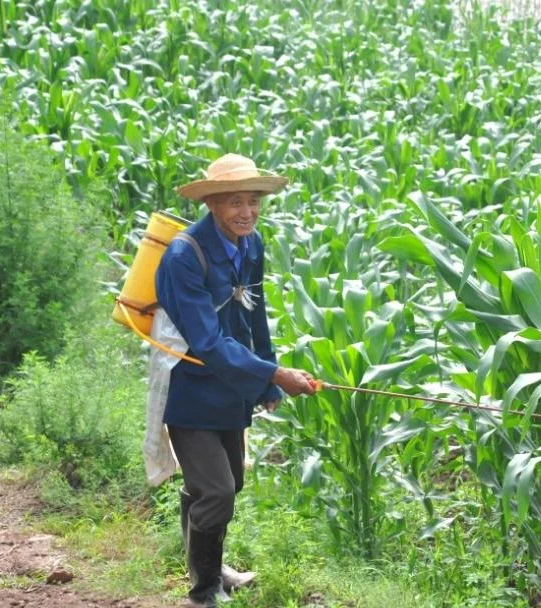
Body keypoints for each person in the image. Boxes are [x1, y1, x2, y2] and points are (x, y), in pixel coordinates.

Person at [155, 153, 317, 608]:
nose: (246, 212)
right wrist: (275, 374)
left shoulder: (251, 245)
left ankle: (208, 566)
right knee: (219, 490)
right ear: (211, 204)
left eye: (253, 201)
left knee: (228, 485)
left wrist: (266, 380)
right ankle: (203, 591)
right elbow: (205, 341)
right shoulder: (185, 256)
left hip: (231, 383)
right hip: (190, 385)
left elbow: (253, 321)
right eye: (234, 202)